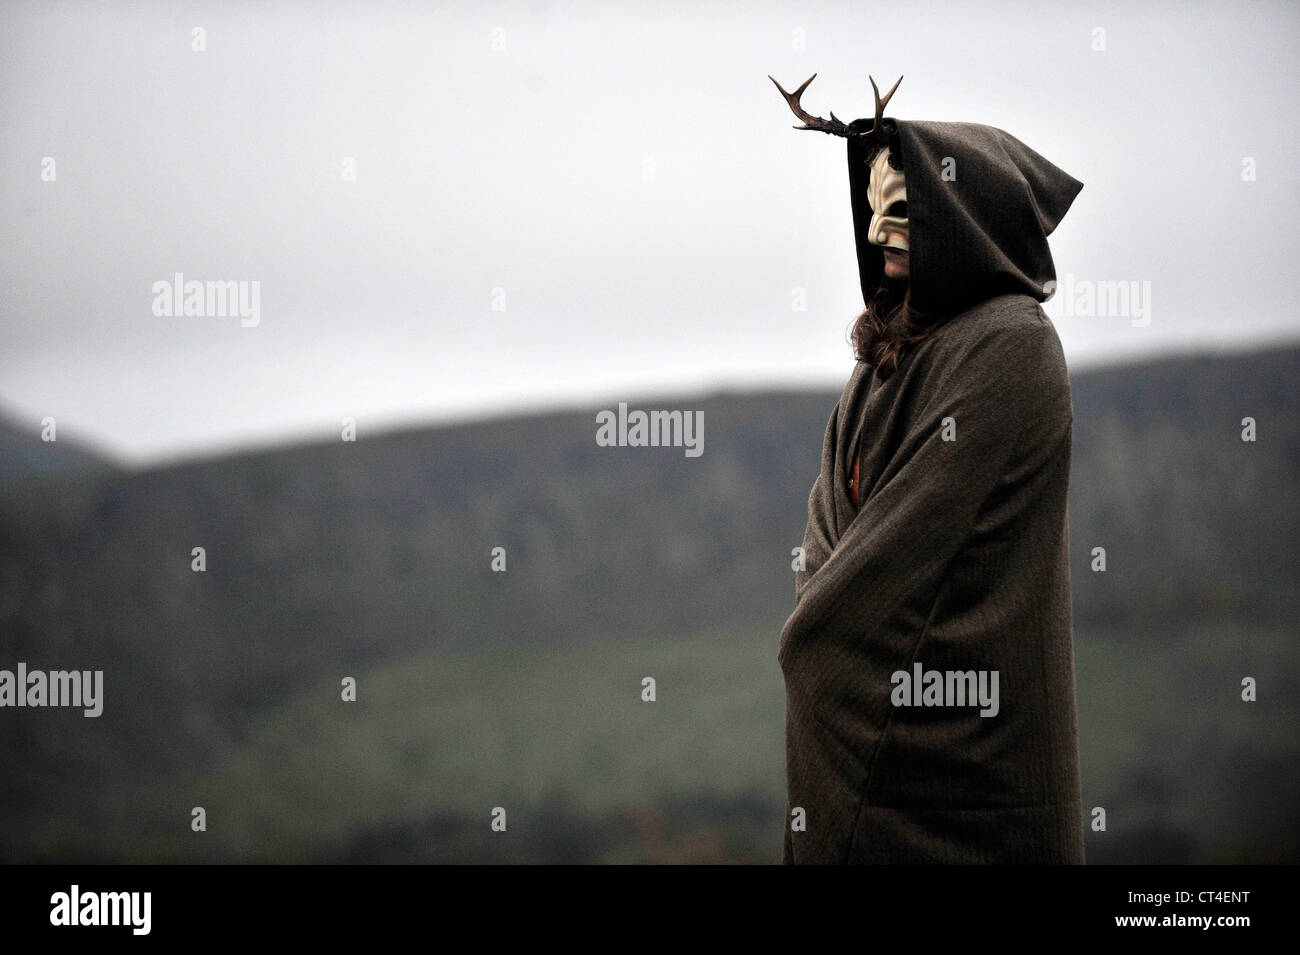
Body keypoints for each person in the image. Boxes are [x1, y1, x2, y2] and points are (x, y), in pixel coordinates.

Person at [769, 73, 1086, 863]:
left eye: (905, 207)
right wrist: (822, 616)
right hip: (877, 736)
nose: (880, 228)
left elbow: (902, 552)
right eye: (871, 206)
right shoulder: (882, 361)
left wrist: (822, 636)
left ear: (962, 214)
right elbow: (826, 541)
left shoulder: (1010, 343)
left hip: (971, 759)